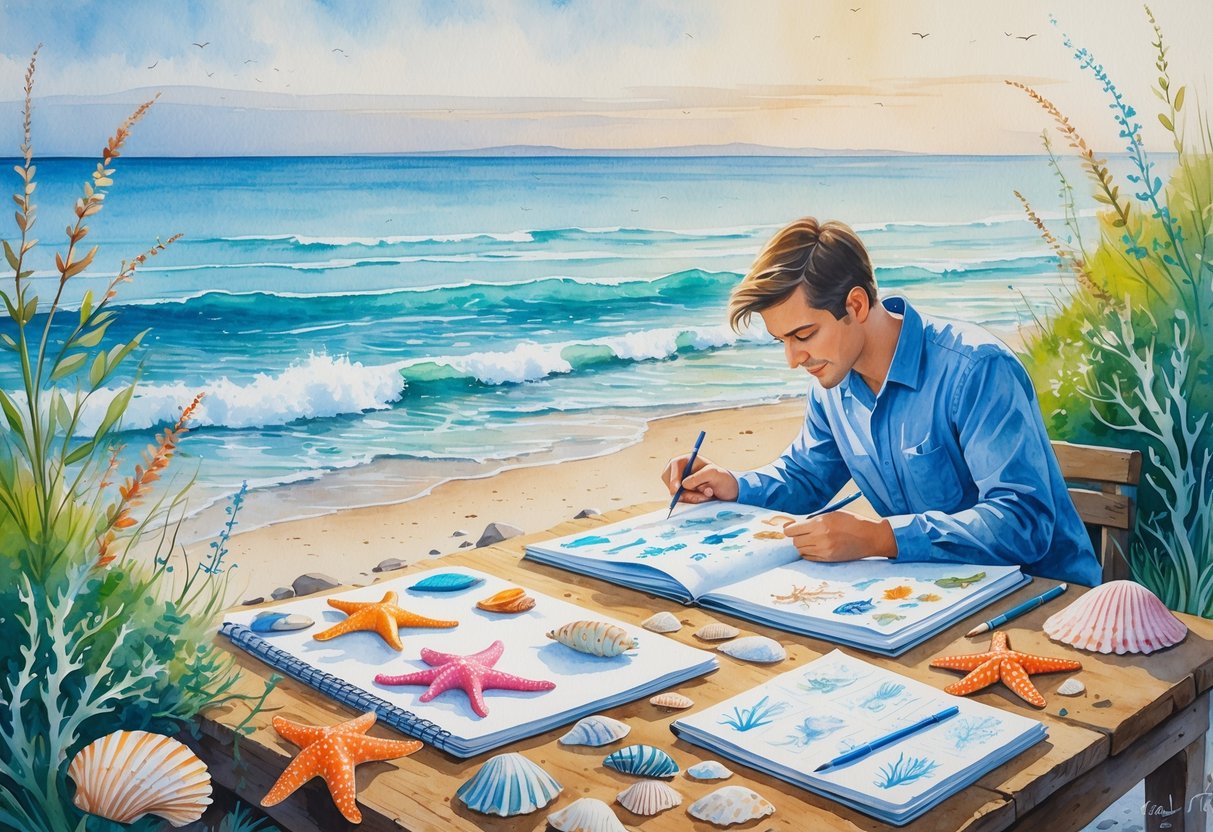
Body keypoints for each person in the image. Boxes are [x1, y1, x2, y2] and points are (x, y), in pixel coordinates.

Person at [661, 217, 1102, 586]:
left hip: (1047, 599)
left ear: (855, 304)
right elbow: (807, 478)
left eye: (803, 335)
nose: (793, 359)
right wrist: (733, 485)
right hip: (942, 594)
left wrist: (879, 538)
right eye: (782, 341)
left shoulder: (976, 369)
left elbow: (1023, 523)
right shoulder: (831, 385)